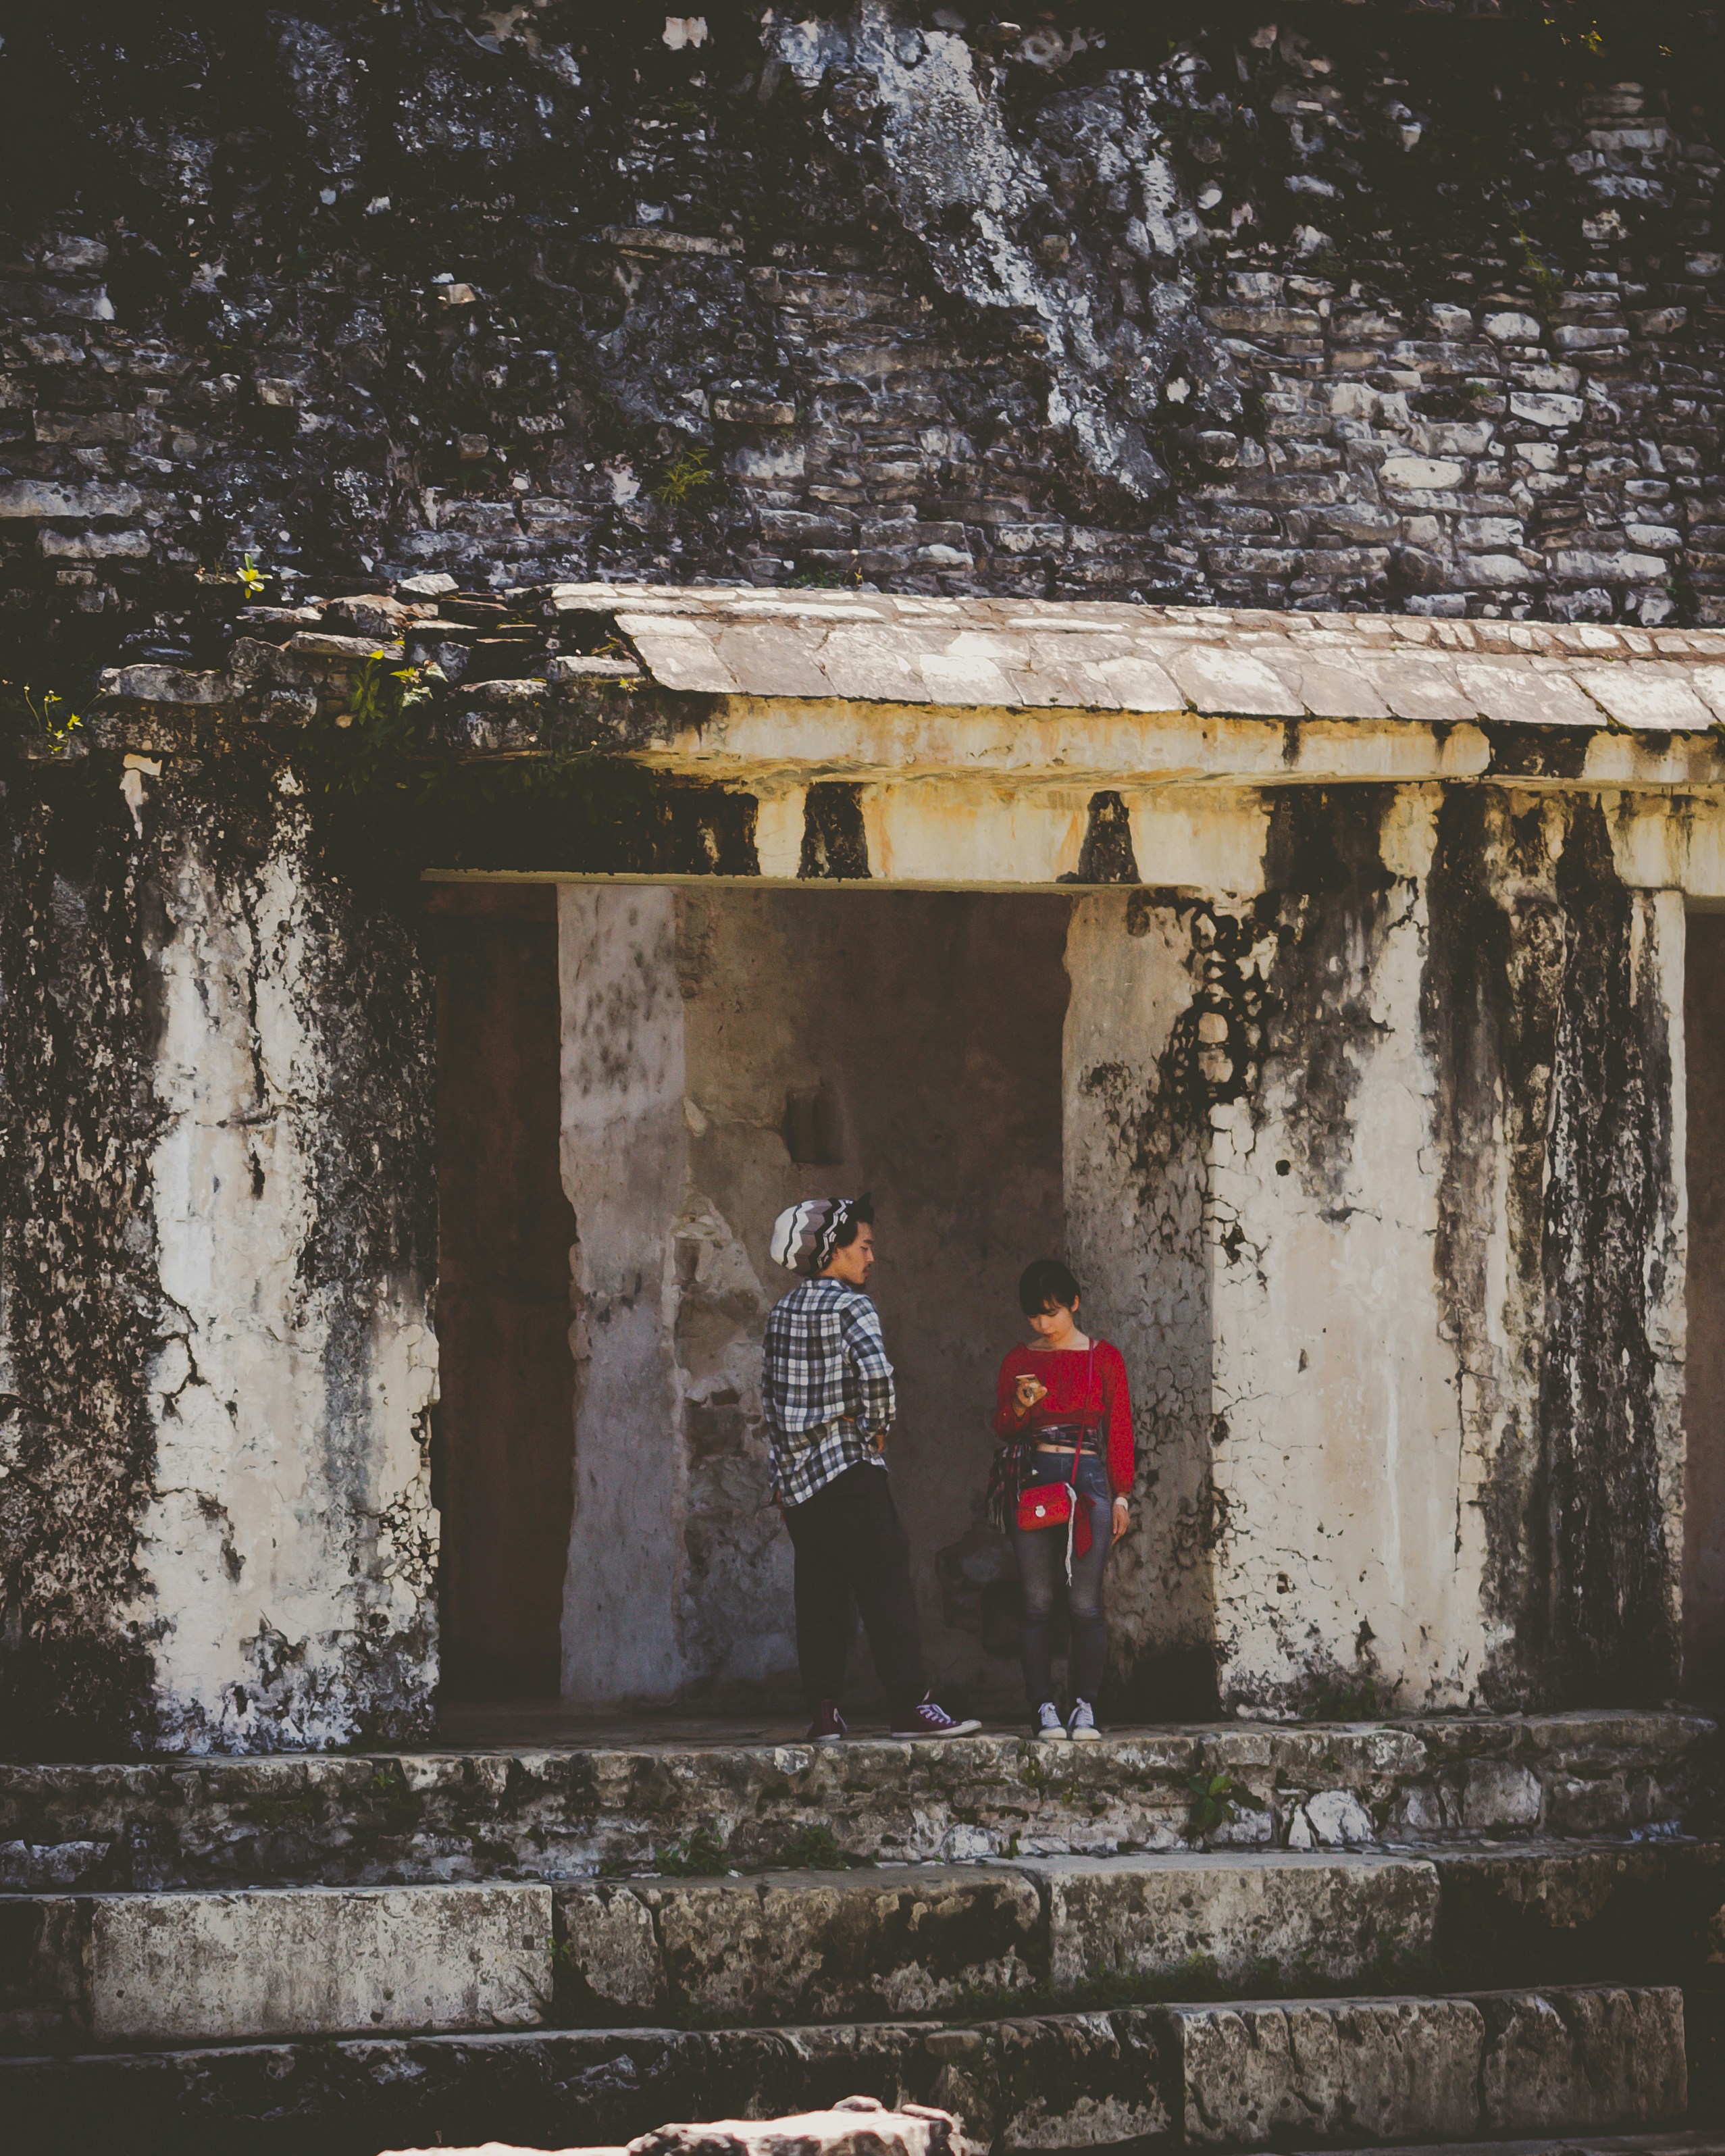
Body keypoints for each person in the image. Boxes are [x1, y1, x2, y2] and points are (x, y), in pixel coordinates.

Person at [763, 1194, 981, 1746]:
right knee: (885, 1584)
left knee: (819, 1598)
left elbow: (768, 1402)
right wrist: (877, 1427)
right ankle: (910, 1705)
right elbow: (878, 1375)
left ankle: (825, 1714)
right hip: (850, 1470)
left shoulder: (781, 1313)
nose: (871, 1257)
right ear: (832, 1250)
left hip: (801, 1487)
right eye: (864, 1246)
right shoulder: (851, 1306)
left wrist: (782, 1482)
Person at [991, 1258, 1135, 1743]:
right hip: (1034, 1478)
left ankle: (1085, 1706)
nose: (1043, 1324)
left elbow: (1118, 1429)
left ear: (1074, 1302)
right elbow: (1003, 1428)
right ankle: (1042, 1707)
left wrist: (1123, 1496)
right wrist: (1019, 1406)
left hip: (1090, 1479)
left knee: (1085, 1603)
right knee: (1035, 1601)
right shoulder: (1018, 1359)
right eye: (1034, 1315)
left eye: (1052, 1312)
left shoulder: (1105, 1358)